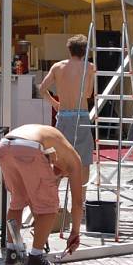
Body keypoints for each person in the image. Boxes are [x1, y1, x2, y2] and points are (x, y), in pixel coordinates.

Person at [0, 124, 83, 265]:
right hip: (28, 147)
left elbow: (36, 193)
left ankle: (14, 252)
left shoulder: (53, 147)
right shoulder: (75, 162)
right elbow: (77, 202)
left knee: (17, 202)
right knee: (50, 208)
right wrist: (75, 232)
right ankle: (36, 257)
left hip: (5, 145)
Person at [39, 34, 96, 188]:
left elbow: (42, 89)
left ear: (69, 50)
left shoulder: (57, 67)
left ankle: (52, 200)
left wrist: (55, 103)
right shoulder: (89, 67)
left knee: (59, 161)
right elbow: (89, 93)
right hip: (81, 115)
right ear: (84, 51)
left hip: (64, 116)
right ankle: (81, 201)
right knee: (84, 161)